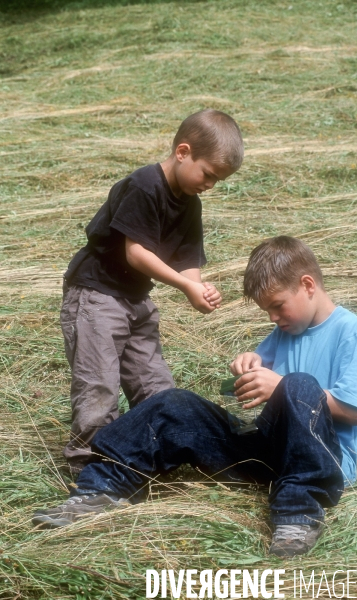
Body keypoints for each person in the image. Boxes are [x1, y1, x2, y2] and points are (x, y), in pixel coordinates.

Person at [34, 236, 357, 557]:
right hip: (270, 454)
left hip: (321, 460)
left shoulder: (350, 330)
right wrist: (249, 365)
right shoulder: (283, 330)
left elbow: (353, 410)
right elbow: (261, 383)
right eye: (266, 311)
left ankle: (299, 514)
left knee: (300, 383)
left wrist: (282, 385)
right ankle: (101, 488)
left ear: (308, 285)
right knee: (173, 403)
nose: (273, 317)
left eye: (278, 306)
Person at [60, 109, 244, 475]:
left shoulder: (190, 202)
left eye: (217, 181)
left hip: (135, 300)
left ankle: (149, 454)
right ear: (182, 152)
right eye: (207, 173)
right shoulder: (144, 186)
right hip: (97, 295)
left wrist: (198, 287)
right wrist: (185, 284)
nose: (209, 184)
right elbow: (137, 253)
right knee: (99, 385)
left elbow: (187, 258)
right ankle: (90, 467)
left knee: (154, 383)